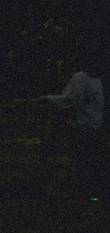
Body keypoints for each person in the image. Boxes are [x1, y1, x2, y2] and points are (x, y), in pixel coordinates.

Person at [43, 54, 105, 200]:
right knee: (86, 159)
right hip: (92, 125)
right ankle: (87, 191)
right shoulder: (94, 80)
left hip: (84, 125)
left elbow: (71, 99)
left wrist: (47, 99)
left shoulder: (82, 78)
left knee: (82, 159)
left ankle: (82, 191)